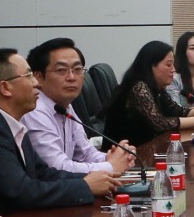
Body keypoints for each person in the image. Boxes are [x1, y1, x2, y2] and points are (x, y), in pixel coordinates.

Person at [0, 48, 118, 217]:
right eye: (28, 76)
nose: (36, 83)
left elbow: (43, 173)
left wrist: (96, 179)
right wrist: (85, 186)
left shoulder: (10, 122)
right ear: (5, 88)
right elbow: (22, 192)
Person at [23, 38, 135, 178]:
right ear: (38, 77)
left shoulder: (64, 106)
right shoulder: (34, 111)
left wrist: (116, 158)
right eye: (61, 70)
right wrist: (111, 166)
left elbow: (85, 153)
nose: (71, 77)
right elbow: (57, 167)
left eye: (77, 69)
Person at [105, 40, 194, 145]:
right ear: (151, 66)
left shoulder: (157, 88)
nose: (173, 70)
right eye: (168, 65)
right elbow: (160, 123)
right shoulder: (139, 87)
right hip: (127, 153)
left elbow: (178, 111)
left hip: (146, 148)